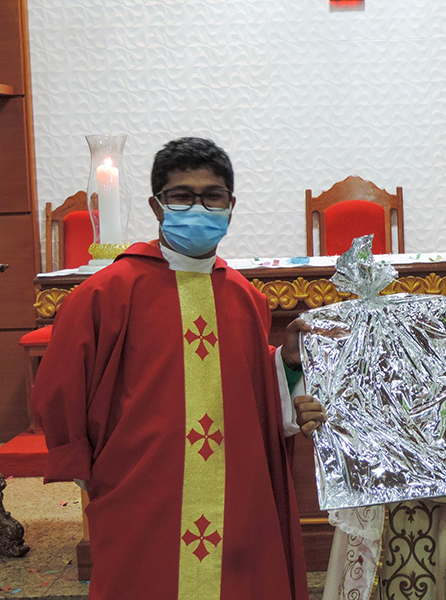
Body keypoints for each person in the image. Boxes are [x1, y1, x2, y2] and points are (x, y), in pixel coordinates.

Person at [34, 137, 310, 600]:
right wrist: (83, 464)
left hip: (234, 488)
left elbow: (252, 389)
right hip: (140, 485)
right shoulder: (107, 292)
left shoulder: (245, 297)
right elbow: (60, 385)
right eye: (182, 196)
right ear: (157, 206)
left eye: (212, 196)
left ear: (230, 206)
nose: (199, 207)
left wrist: (286, 364)